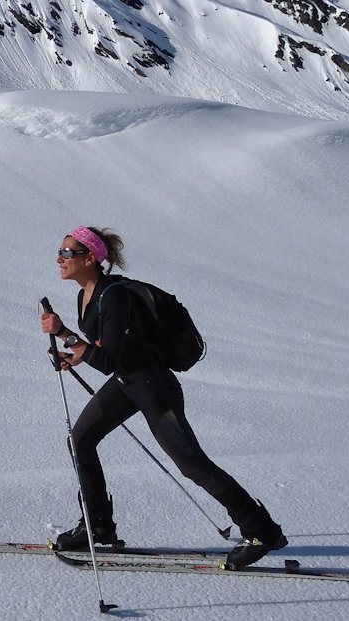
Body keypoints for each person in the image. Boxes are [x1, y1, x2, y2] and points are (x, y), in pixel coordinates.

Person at [40, 226, 287, 569]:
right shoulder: (87, 295)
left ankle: (262, 531)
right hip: (128, 383)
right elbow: (107, 349)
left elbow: (108, 360)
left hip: (153, 387)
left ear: (91, 258)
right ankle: (97, 525)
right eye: (61, 251)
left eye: (67, 253)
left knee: (192, 465)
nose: (59, 258)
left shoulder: (115, 296)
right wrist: (74, 354)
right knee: (80, 440)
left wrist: (65, 334)